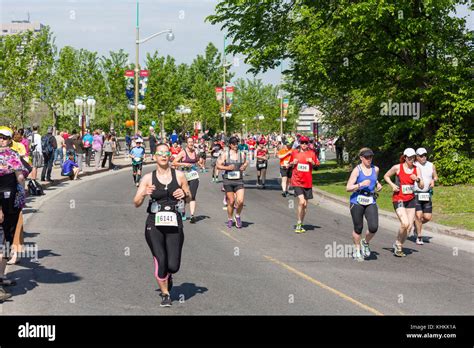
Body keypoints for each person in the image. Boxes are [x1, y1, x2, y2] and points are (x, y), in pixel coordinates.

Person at [133, 143, 191, 307]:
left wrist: (184, 194)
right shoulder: (147, 178)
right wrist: (144, 193)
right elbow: (136, 202)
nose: (164, 155)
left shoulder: (179, 176)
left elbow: (189, 197)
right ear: (155, 157)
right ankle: (165, 294)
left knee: (173, 265)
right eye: (160, 153)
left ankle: (168, 275)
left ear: (169, 156)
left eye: (166, 152)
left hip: (174, 222)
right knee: (161, 258)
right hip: (154, 224)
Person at [0, 127, 27, 301]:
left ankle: (1, 276)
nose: (1, 139)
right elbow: (21, 178)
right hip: (3, 203)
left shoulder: (12, 155)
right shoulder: (11, 156)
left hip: (11, 204)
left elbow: (21, 177)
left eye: (4, 137)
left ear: (10, 140)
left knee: (6, 240)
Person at [384, 148, 424, 257]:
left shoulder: (417, 169)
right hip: (399, 199)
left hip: (411, 200)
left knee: (410, 227)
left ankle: (398, 244)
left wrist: (417, 179)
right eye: (409, 157)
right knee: (405, 223)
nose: (412, 159)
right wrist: (392, 185)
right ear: (405, 158)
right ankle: (398, 244)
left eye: (413, 157)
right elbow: (386, 176)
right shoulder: (398, 167)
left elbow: (422, 186)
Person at [346, 148, 383, 261]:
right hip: (357, 200)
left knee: (373, 227)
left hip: (370, 200)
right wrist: (360, 184)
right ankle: (357, 250)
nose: (369, 159)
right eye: (366, 157)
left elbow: (374, 179)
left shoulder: (375, 169)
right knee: (358, 228)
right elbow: (348, 188)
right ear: (361, 158)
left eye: (370, 157)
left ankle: (365, 242)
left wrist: (377, 184)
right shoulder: (357, 170)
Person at [289, 136, 320, 233]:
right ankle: (298, 223)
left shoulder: (311, 153)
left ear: (308, 143)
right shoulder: (295, 153)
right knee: (301, 202)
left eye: (306, 143)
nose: (304, 145)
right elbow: (289, 165)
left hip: (307, 182)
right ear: (299, 143)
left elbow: (317, 166)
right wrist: (292, 163)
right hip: (297, 181)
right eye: (302, 143)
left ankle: (301, 223)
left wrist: (313, 162)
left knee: (305, 205)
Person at [216, 136, 248, 229]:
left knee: (241, 201)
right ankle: (230, 218)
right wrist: (227, 168)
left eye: (237, 143)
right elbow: (218, 166)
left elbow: (246, 162)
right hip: (228, 181)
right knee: (231, 201)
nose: (236, 145)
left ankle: (237, 216)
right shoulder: (226, 154)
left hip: (239, 181)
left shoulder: (242, 154)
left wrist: (244, 166)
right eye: (234, 144)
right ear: (230, 145)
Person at [172, 137, 203, 223]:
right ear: (186, 143)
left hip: (193, 176)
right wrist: (184, 163)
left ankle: (192, 216)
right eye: (189, 142)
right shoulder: (183, 152)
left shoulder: (195, 152)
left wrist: (199, 163)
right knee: (184, 195)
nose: (191, 143)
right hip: (184, 177)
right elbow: (174, 162)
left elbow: (197, 161)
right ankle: (183, 212)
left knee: (192, 195)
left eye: (192, 142)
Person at [414, 147, 438, 245]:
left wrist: (433, 180)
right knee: (419, 216)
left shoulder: (431, 165)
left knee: (427, 217)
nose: (423, 157)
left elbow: (436, 176)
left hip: (426, 194)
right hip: (416, 193)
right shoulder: (414, 166)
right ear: (417, 157)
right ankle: (419, 237)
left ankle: (416, 224)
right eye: (421, 156)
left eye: (425, 155)